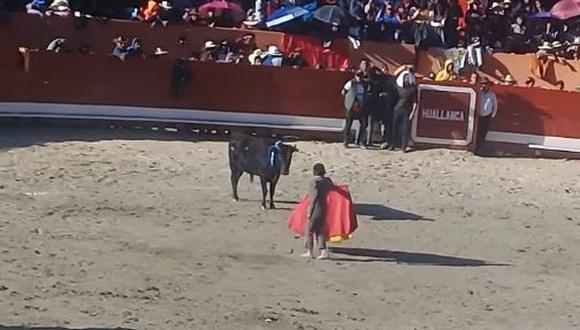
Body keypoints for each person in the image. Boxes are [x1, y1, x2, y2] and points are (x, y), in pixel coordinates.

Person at [301, 163, 334, 260]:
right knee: (320, 230)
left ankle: (309, 251)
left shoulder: (314, 182)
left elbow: (314, 198)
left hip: (316, 209)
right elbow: (333, 188)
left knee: (309, 230)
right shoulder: (327, 181)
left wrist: (309, 211)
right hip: (324, 208)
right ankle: (323, 251)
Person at [391, 64, 417, 152]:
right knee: (394, 128)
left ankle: (403, 147)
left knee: (405, 130)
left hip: (406, 111)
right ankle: (392, 145)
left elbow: (415, 102)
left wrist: (413, 113)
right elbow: (394, 75)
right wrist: (404, 67)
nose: (406, 80)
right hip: (397, 109)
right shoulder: (399, 87)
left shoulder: (413, 89)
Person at [341, 71, 367, 148]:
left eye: (360, 76)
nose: (359, 77)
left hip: (361, 106)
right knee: (348, 124)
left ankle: (360, 141)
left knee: (364, 124)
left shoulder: (365, 84)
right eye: (357, 76)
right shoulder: (351, 83)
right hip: (351, 106)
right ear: (355, 76)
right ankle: (346, 141)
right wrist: (348, 102)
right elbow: (343, 92)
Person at [477, 77, 498, 154]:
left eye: (485, 84)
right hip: (478, 117)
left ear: (488, 85)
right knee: (477, 133)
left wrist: (492, 115)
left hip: (487, 117)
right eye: (482, 84)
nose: (484, 85)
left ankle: (480, 149)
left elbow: (495, 105)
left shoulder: (492, 94)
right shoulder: (478, 93)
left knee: (483, 133)